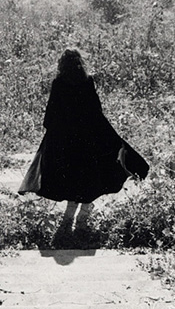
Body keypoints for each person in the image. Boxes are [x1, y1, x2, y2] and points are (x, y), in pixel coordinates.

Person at [18, 49, 149, 242]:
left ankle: (66, 223)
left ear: (61, 64)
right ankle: (82, 221)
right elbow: (96, 111)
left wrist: (55, 134)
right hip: (87, 140)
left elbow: (51, 115)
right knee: (88, 178)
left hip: (65, 141)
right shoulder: (87, 82)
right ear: (81, 63)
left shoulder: (58, 83)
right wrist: (107, 135)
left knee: (70, 178)